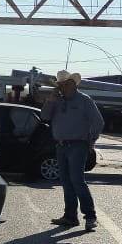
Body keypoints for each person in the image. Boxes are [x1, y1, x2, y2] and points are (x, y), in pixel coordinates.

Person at [46, 71, 105, 231]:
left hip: (78, 145)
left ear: (73, 84)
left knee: (77, 181)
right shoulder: (56, 101)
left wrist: (91, 140)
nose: (63, 87)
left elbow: (98, 122)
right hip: (61, 145)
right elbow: (45, 117)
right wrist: (50, 101)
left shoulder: (84, 100)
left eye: (65, 84)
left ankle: (90, 216)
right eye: (60, 85)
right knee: (66, 181)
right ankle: (70, 217)